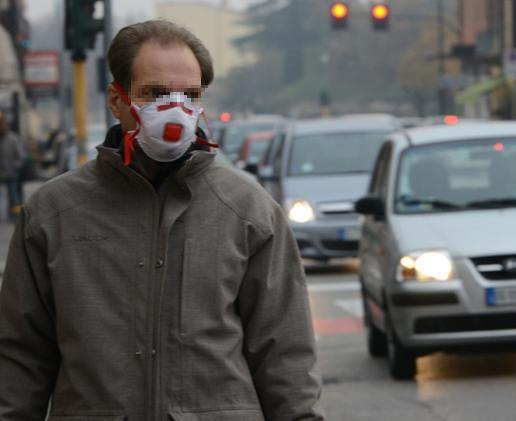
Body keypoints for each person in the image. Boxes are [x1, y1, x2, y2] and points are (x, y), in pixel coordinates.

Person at [0, 20, 323, 420]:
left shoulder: (248, 210)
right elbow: (19, 357)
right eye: (154, 94)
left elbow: (284, 354)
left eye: (189, 95)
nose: (175, 110)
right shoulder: (52, 214)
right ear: (117, 100)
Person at [0, 112, 25, 221]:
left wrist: (14, 167)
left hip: (11, 174)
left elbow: (21, 156)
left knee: (14, 197)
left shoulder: (13, 139)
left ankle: (16, 218)